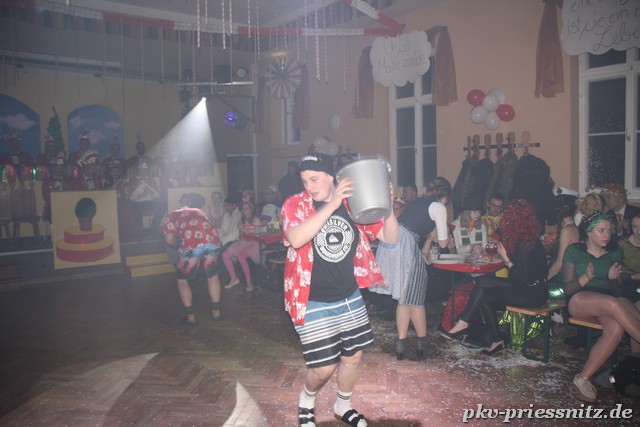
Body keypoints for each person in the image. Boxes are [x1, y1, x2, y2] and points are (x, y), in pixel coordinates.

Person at [282, 152, 398, 427]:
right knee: (323, 367)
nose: (309, 186)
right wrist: (331, 204)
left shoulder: (353, 202)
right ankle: (307, 400)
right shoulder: (295, 204)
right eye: (305, 181)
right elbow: (296, 238)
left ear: (331, 176)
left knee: (352, 357)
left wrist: (388, 206)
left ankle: (342, 405)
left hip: (349, 296)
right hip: (311, 299)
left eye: (314, 179)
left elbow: (390, 236)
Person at [445, 199, 549, 356]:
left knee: (484, 295)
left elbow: (521, 279)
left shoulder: (524, 244)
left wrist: (506, 258)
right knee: (482, 282)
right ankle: (479, 331)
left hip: (532, 293)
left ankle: (467, 324)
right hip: (526, 287)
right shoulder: (525, 239)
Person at [369, 177, 451, 361]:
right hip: (405, 245)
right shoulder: (438, 207)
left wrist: (428, 240)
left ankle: (401, 344)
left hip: (392, 242)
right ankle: (423, 343)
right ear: (445, 196)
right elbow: (443, 243)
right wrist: (440, 235)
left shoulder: (418, 202)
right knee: (417, 298)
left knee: (404, 299)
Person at [562, 210, 640, 403]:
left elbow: (618, 290)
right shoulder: (574, 251)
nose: (607, 235)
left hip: (606, 302)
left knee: (616, 328)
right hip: (579, 299)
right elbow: (567, 288)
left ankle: (582, 378)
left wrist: (613, 280)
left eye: (608, 230)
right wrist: (585, 278)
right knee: (614, 303)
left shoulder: (613, 253)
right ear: (589, 232)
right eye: (601, 230)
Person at [162, 192, 222, 324]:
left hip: (191, 244)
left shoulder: (172, 214)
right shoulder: (200, 211)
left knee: (182, 279)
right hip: (212, 242)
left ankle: (190, 316)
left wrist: (177, 245)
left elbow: (168, 240)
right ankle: (216, 312)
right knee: (212, 276)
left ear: (182, 203)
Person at [221, 200, 262, 292]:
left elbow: (258, 234)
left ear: (251, 210)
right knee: (225, 255)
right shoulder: (241, 220)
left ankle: (249, 282)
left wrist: (249, 233)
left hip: (253, 243)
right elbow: (240, 237)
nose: (245, 210)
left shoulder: (256, 220)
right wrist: (241, 230)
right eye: (243, 208)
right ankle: (233, 278)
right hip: (243, 242)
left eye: (247, 208)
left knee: (241, 257)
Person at [547, 194, 580, 299]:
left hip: (560, 280)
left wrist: (544, 280)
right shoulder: (574, 227)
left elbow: (559, 263)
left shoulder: (567, 231)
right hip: (566, 278)